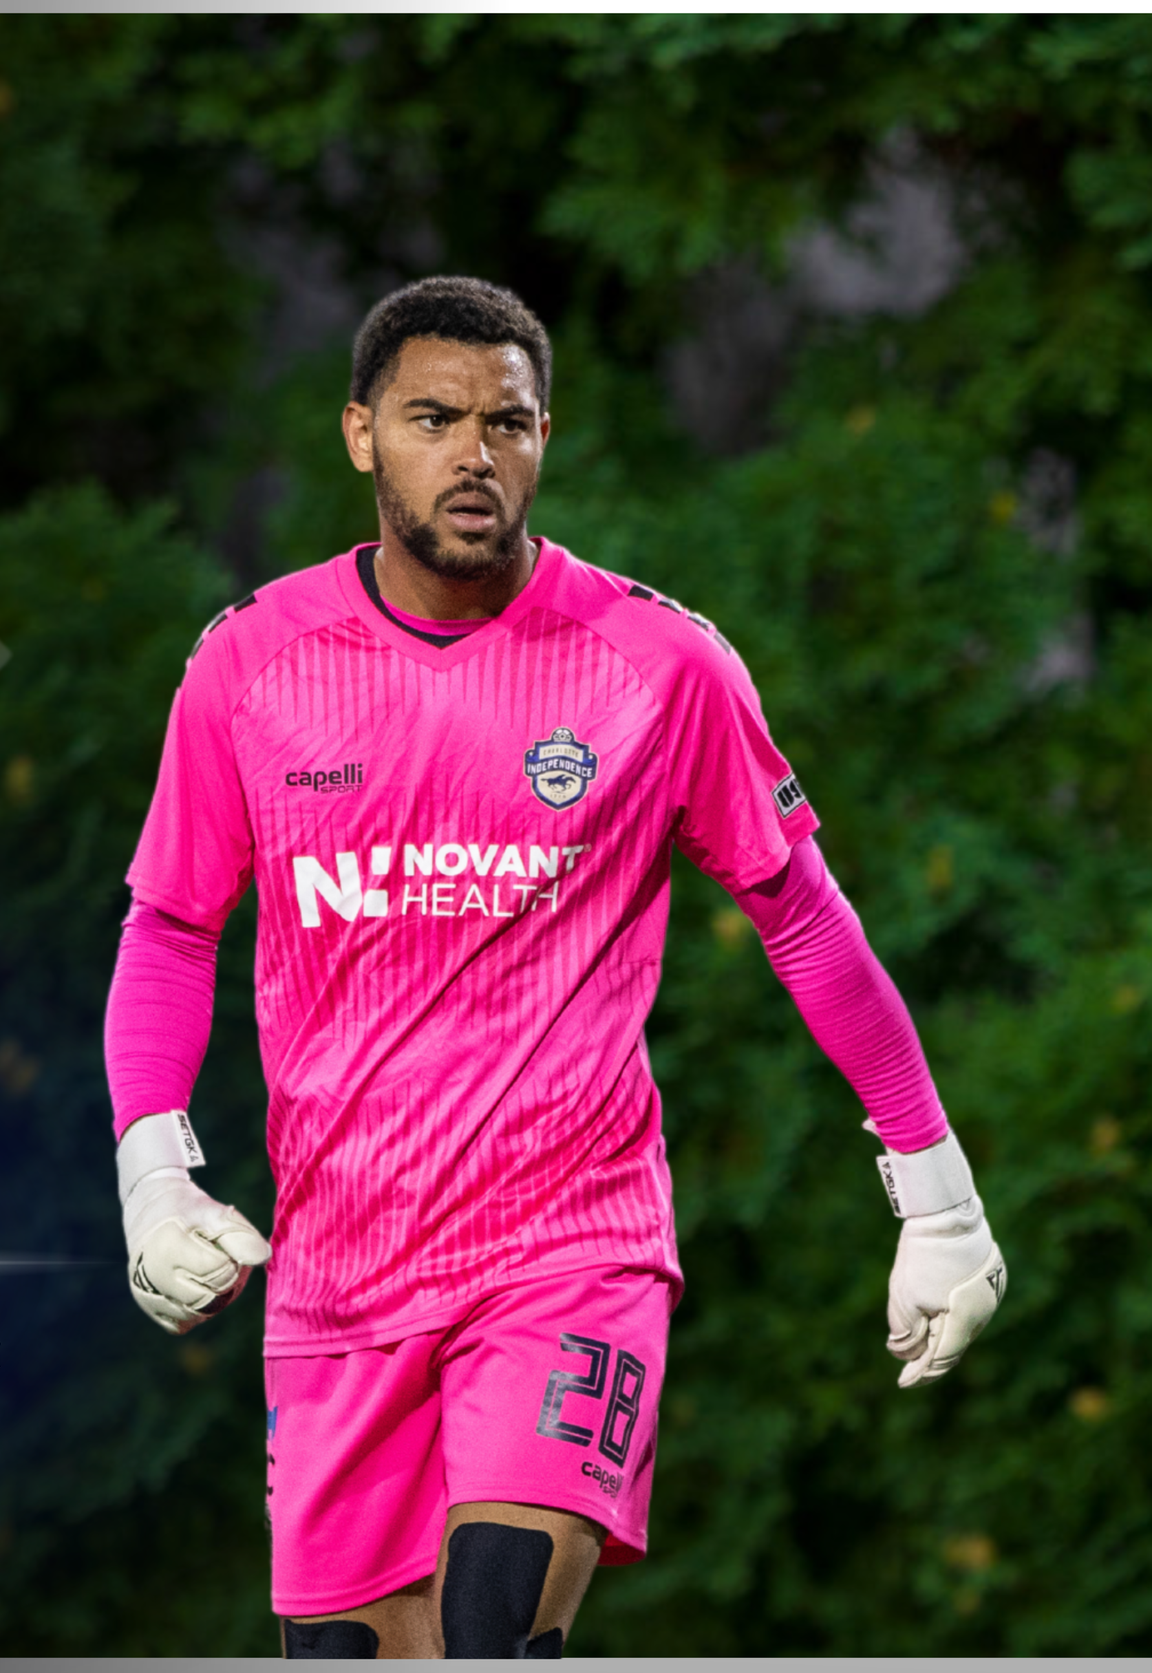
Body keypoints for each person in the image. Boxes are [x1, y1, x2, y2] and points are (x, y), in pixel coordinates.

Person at [102, 276, 1006, 1659]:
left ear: (544, 438)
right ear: (360, 434)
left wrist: (937, 1196)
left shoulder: (658, 664)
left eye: (507, 423)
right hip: (337, 1280)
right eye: (434, 419)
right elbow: (171, 929)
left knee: (495, 1629)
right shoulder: (251, 665)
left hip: (567, 1251)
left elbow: (805, 919)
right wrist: (153, 1175)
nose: (474, 454)